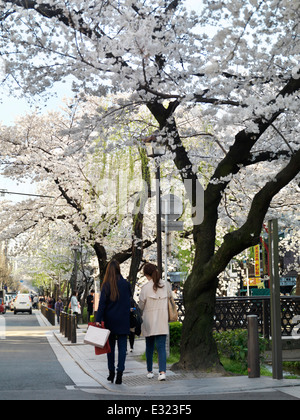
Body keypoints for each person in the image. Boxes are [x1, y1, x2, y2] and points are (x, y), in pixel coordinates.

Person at [96, 259, 131, 385]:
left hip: (109, 321)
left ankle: (111, 373)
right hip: (123, 320)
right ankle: (120, 374)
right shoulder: (126, 284)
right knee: (122, 348)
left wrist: (98, 320)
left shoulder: (106, 285)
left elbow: (102, 305)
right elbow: (129, 301)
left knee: (110, 348)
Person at [139, 263, 171, 381]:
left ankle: (150, 371)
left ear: (147, 275)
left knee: (149, 347)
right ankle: (162, 372)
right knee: (161, 346)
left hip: (149, 320)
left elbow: (141, 305)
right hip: (162, 319)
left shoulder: (145, 288)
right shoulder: (166, 285)